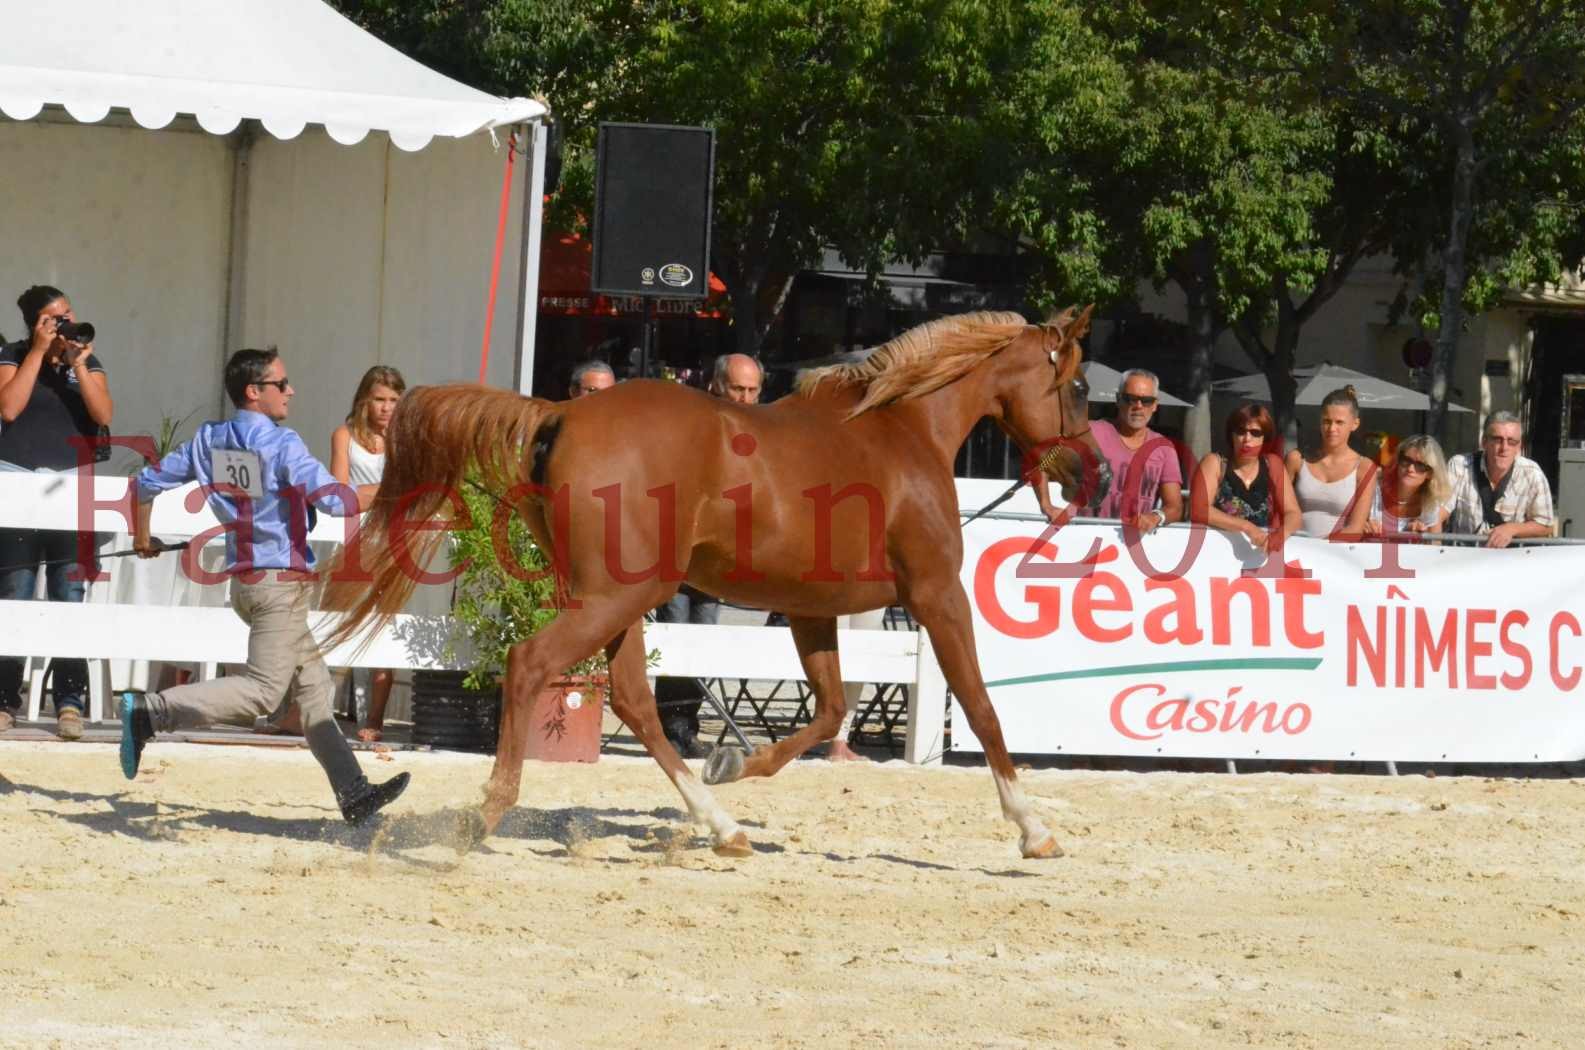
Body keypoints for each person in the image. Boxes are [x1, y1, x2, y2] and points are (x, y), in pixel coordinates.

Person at [121, 348, 409, 826]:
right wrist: (399, 486)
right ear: (255, 392)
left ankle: (354, 793)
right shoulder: (282, 444)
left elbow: (143, 485)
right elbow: (336, 502)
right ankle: (151, 711)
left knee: (315, 690)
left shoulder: (207, 440)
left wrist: (141, 536)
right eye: (282, 383)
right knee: (262, 692)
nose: (291, 390)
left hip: (250, 584)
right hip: (278, 585)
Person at [0, 285, 114, 739]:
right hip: (18, 477)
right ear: (35, 323)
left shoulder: (85, 360)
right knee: (16, 589)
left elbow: (102, 412)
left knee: (69, 591)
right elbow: (9, 407)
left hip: (71, 482)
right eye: (55, 318)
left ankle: (70, 702)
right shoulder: (12, 354)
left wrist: (79, 364)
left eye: (68, 314)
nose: (66, 323)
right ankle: (6, 698)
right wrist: (39, 351)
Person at [654, 353, 763, 758]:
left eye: (753, 390)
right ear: (716, 385)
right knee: (676, 635)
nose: (746, 398)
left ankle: (686, 727)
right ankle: (671, 729)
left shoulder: (761, 431)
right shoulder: (693, 423)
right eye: (739, 388)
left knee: (702, 641)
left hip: (721, 557)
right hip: (681, 552)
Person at [331, 365, 406, 742]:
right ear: (365, 399)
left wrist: (372, 494)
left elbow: (411, 493)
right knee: (334, 620)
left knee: (385, 624)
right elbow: (339, 494)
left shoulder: (406, 441)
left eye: (394, 400)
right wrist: (385, 490)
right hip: (350, 540)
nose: (386, 407)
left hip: (392, 541)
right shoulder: (344, 436)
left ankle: (375, 717)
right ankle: (314, 708)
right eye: (379, 399)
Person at [1194, 403, 1302, 551]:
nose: (1247, 438)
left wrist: (1281, 535)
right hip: (1216, 552)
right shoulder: (1214, 463)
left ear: (1265, 437)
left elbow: (1293, 513)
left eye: (1255, 433)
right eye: (1240, 431)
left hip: (1260, 553)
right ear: (1231, 434)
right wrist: (1247, 527)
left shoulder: (1273, 465)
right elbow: (1199, 510)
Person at [1089, 368, 1184, 532]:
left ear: (1155, 405)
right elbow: (1048, 460)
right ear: (1118, 400)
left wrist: (1156, 517)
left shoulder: (1164, 448)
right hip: (1084, 537)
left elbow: (1175, 507)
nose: (1138, 406)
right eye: (1130, 399)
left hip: (1135, 542)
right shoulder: (1092, 432)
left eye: (1146, 400)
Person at [1445, 411, 1555, 548]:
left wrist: (1512, 529)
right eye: (1497, 440)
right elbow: (1438, 513)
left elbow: (1546, 525)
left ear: (1519, 446)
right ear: (1484, 442)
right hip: (1463, 559)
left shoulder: (1532, 473)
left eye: (1512, 441)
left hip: (1510, 563)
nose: (1504, 448)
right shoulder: (1459, 465)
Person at [1285, 385, 1376, 539]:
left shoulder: (1365, 467)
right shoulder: (1296, 459)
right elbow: (1278, 510)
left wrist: (1319, 547)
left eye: (1339, 422)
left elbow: (1355, 528)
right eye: (1327, 421)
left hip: (1337, 556)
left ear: (1355, 424)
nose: (1331, 428)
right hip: (1295, 551)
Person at [1364, 434, 1452, 536]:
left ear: (1430, 473)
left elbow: (1436, 546)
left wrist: (1421, 537)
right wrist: (1363, 527)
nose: (1410, 469)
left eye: (1420, 465)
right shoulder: (1373, 488)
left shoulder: (1429, 503)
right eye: (1406, 460)